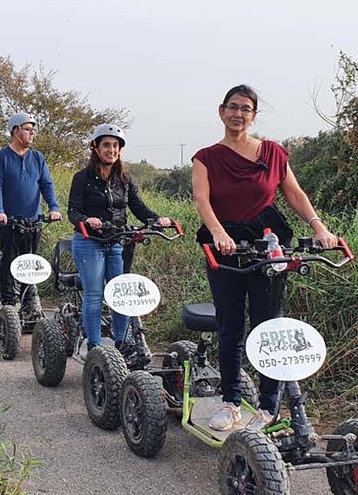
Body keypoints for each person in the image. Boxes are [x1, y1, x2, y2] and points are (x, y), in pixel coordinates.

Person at [191, 84, 337, 431]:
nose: (238, 113)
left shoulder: (272, 153)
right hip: (225, 246)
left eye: (246, 108)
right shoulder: (206, 157)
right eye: (233, 107)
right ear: (221, 111)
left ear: (253, 115)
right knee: (230, 326)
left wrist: (319, 228)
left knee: (268, 325)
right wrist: (219, 233)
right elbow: (202, 200)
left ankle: (269, 405)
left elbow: (295, 194)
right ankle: (230, 402)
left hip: (268, 241)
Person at [68, 124, 171, 353]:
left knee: (121, 294)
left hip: (117, 242)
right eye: (106, 145)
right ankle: (95, 346)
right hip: (89, 242)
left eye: (115, 146)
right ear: (95, 148)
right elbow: (73, 212)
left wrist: (157, 219)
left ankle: (121, 343)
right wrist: (87, 220)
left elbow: (138, 207)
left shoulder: (124, 178)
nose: (111, 150)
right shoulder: (82, 178)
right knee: (94, 294)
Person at [0, 112, 62, 306]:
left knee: (30, 263)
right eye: (28, 129)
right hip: (10, 220)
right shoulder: (1, 157)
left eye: (33, 130)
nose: (32, 133)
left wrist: (53, 207)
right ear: (16, 131)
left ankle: (28, 301)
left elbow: (46, 184)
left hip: (34, 219)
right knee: (9, 260)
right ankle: (9, 302)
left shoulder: (37, 157)